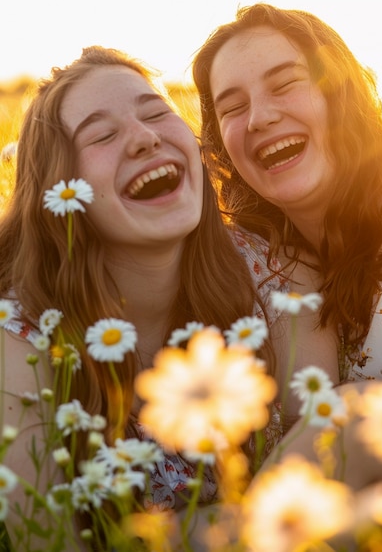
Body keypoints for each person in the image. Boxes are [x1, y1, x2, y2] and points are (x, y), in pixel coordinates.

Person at [0, 45, 339, 550]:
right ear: (61, 188)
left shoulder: (278, 276)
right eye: (103, 135)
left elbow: (330, 470)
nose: (145, 137)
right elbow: (48, 540)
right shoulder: (21, 336)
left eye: (156, 112)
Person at [192, 2, 382, 385]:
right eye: (233, 107)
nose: (259, 118)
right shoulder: (251, 271)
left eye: (284, 85)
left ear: (339, 93)